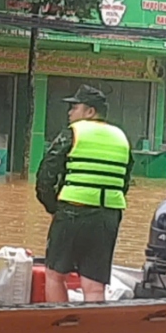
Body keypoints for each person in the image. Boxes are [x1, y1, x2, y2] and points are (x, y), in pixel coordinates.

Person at [35, 86, 133, 303]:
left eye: (74, 107)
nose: (70, 113)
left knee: (54, 275)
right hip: (108, 217)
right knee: (94, 284)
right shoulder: (121, 137)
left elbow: (46, 176)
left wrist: (53, 207)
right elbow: (124, 182)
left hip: (73, 211)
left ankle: (61, 328)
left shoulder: (73, 133)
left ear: (90, 111)